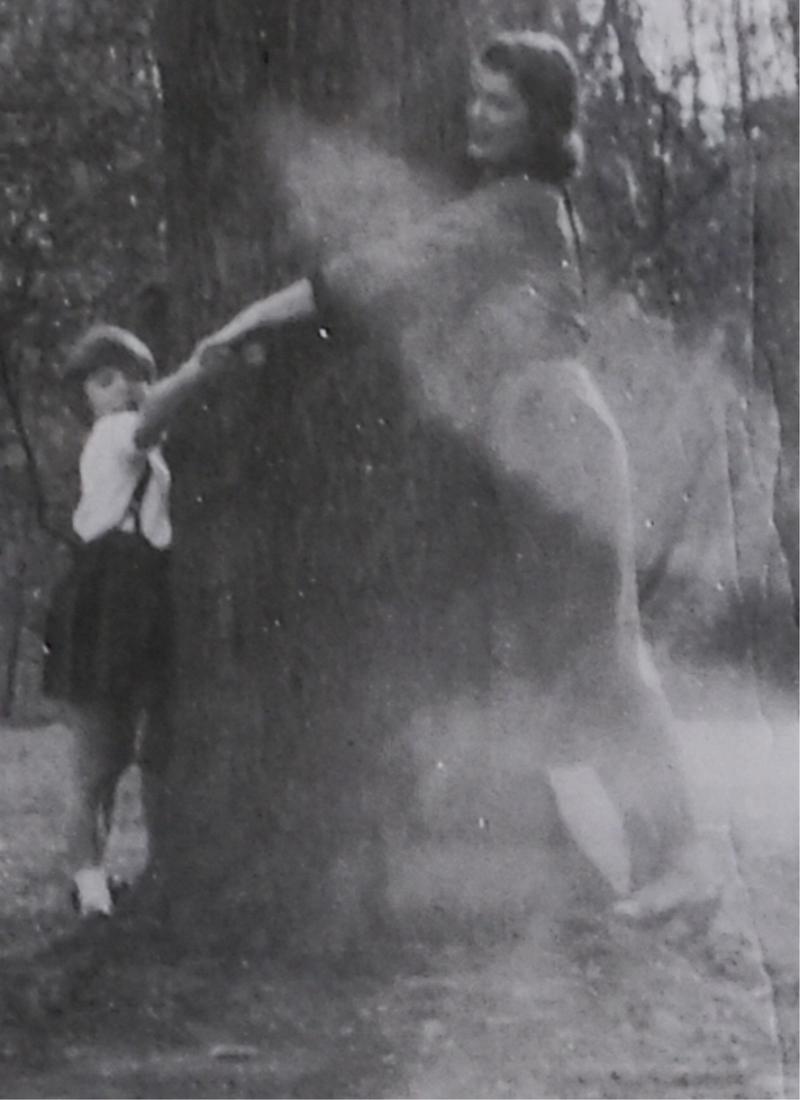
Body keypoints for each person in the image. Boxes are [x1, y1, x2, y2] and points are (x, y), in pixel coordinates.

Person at [170, 31, 716, 924]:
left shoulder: (520, 207)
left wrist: (256, 317)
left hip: (555, 429)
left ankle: (682, 857)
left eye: (502, 105)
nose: (479, 116)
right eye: (479, 99)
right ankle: (649, 857)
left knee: (603, 655)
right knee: (570, 656)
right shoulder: (509, 204)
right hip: (531, 436)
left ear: (542, 123)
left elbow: (387, 272)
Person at [44, 323, 230, 917]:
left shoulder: (141, 445)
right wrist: (198, 371)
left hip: (133, 594)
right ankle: (90, 886)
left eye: (134, 378)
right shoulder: (114, 434)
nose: (122, 390)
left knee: (119, 751)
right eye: (104, 381)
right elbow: (148, 424)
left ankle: (92, 877)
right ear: (87, 400)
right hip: (108, 597)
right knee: (98, 757)